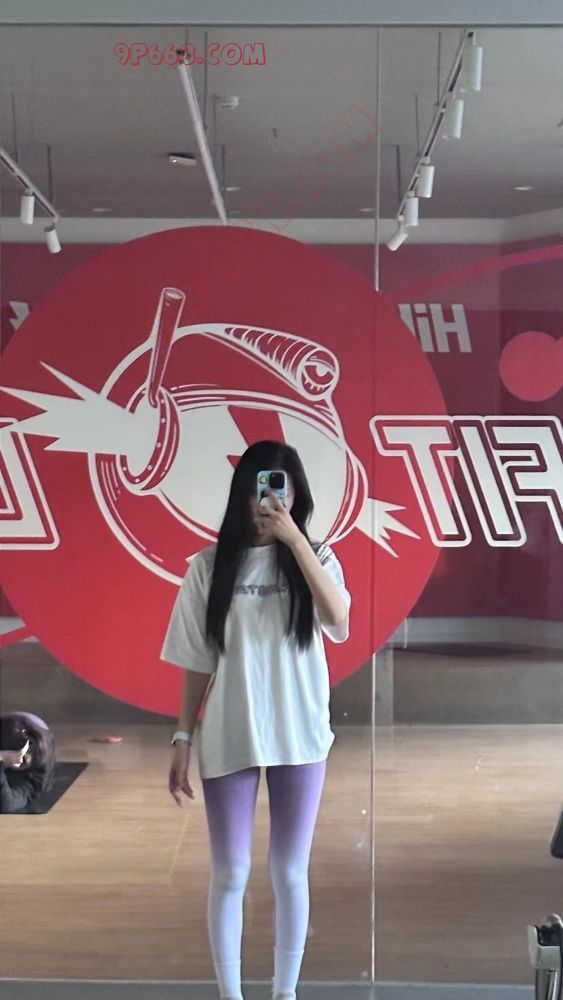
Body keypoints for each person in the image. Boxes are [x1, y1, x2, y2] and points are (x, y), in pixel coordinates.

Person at [161, 440, 351, 1000]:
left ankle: (284, 992)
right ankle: (231, 993)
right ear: (240, 494)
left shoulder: (319, 559)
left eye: (277, 488)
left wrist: (295, 542)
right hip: (230, 731)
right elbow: (196, 660)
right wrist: (182, 735)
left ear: (296, 495)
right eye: (256, 489)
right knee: (230, 872)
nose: (266, 500)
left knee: (290, 871)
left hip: (300, 734)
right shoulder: (207, 568)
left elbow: (339, 620)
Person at [0, 711, 56, 814]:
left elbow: (7, 804)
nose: (18, 762)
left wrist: (1, 759)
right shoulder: (6, 730)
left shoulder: (37, 777)